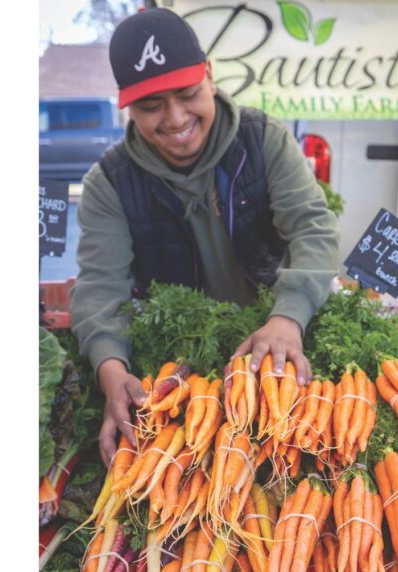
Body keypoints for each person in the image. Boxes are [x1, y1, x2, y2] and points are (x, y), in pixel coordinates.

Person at [71, 8, 339, 465]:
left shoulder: (264, 140)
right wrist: (110, 368)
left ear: (209, 77)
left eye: (188, 95)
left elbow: (313, 227)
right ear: (128, 106)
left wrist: (288, 318)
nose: (175, 119)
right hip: (179, 371)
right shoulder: (109, 182)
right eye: (151, 107)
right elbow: (101, 287)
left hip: (272, 348)